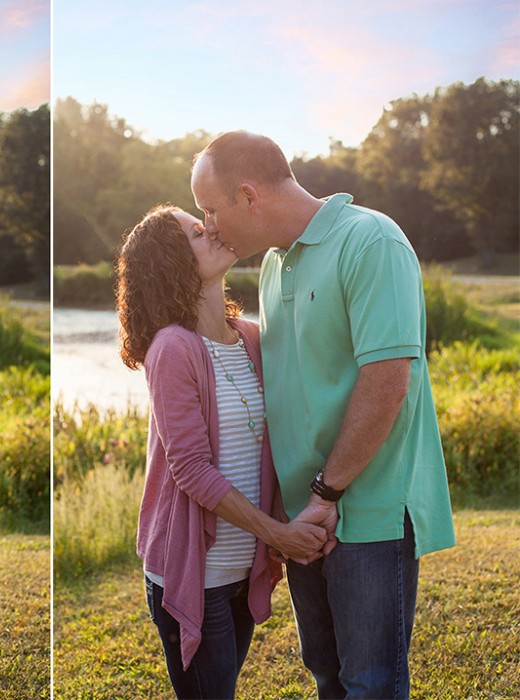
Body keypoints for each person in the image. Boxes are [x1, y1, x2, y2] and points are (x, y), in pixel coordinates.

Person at [191, 131, 456, 699]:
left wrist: (327, 493)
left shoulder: (371, 240)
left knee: (370, 683)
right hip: (307, 521)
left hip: (366, 512)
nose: (208, 225)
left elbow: (387, 381)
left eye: (210, 210)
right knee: (329, 677)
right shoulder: (272, 267)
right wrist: (293, 513)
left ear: (247, 195)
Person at [116, 204, 328, 700]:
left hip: (241, 568)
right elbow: (190, 469)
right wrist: (278, 533)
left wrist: (280, 522)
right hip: (194, 573)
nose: (210, 228)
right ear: (172, 260)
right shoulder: (172, 347)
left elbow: (274, 442)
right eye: (195, 230)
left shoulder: (251, 338)